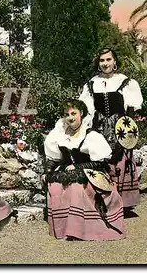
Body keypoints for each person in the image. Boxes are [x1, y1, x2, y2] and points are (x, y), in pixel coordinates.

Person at [43, 99, 125, 241]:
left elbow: (100, 162)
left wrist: (78, 167)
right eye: (66, 114)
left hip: (91, 171)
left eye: (73, 113)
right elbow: (53, 158)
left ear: (81, 113)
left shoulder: (91, 135)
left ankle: (79, 230)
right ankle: (63, 229)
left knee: (76, 188)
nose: (70, 117)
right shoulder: (60, 134)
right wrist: (47, 172)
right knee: (55, 186)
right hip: (68, 170)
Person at [79, 47, 143, 210]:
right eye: (102, 60)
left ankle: (122, 202)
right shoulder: (91, 84)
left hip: (120, 127)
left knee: (121, 161)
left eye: (108, 59)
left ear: (115, 62)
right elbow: (87, 109)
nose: (105, 63)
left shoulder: (126, 82)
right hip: (99, 126)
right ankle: (104, 200)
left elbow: (133, 107)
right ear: (98, 63)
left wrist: (128, 130)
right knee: (100, 160)